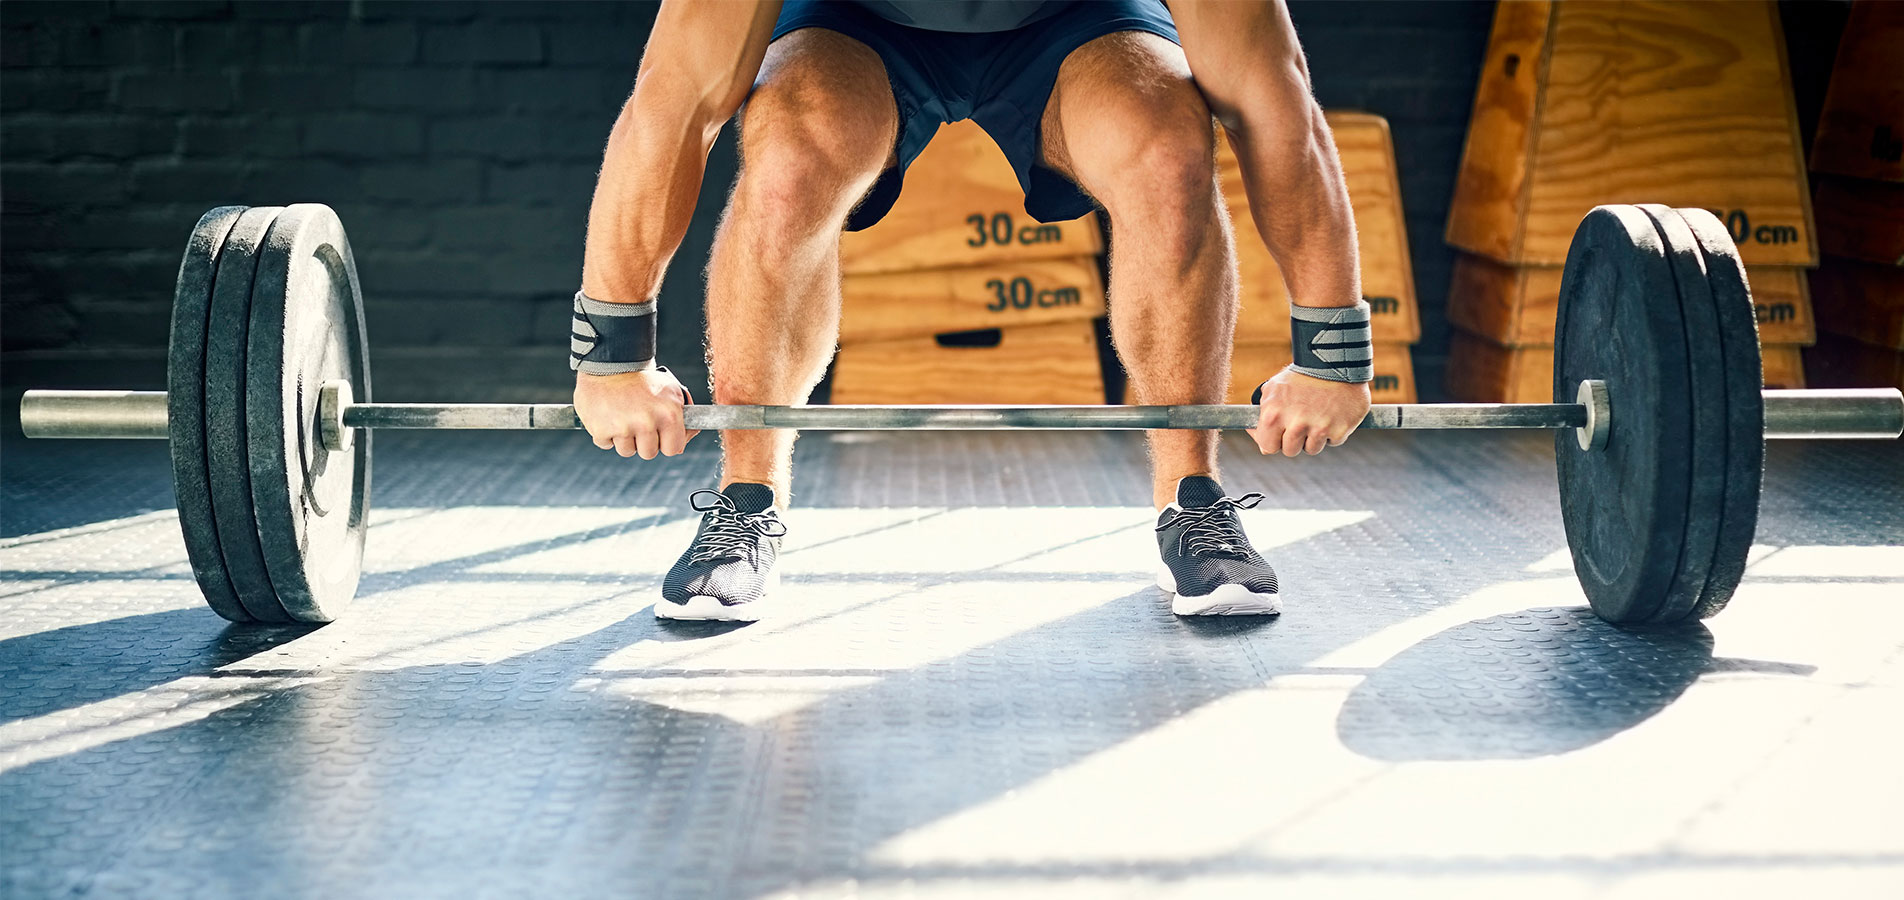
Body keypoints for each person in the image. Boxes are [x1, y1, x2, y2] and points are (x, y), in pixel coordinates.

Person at [568, 0, 1373, 622]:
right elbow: (673, 105)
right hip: (856, 22)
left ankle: (1191, 501)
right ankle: (748, 502)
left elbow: (1274, 103)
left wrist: (1331, 354)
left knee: (1167, 153)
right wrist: (614, 359)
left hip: (1078, 21)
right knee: (783, 166)